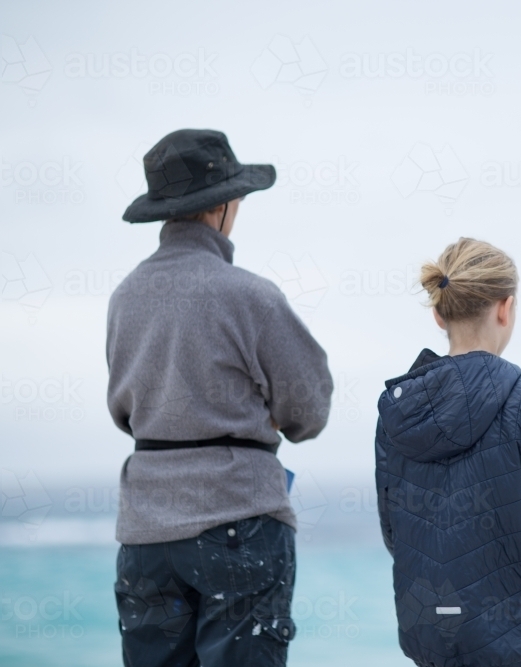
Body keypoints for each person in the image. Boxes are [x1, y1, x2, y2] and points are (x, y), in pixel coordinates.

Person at [107, 129, 333, 666]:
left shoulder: (124, 297)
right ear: (223, 205)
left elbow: (126, 412)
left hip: (144, 533)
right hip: (238, 521)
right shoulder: (249, 295)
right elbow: (310, 410)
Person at [375, 238, 521, 667]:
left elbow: (393, 530)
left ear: (438, 312)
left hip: (429, 635)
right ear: (505, 308)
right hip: (516, 635)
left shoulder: (396, 411)